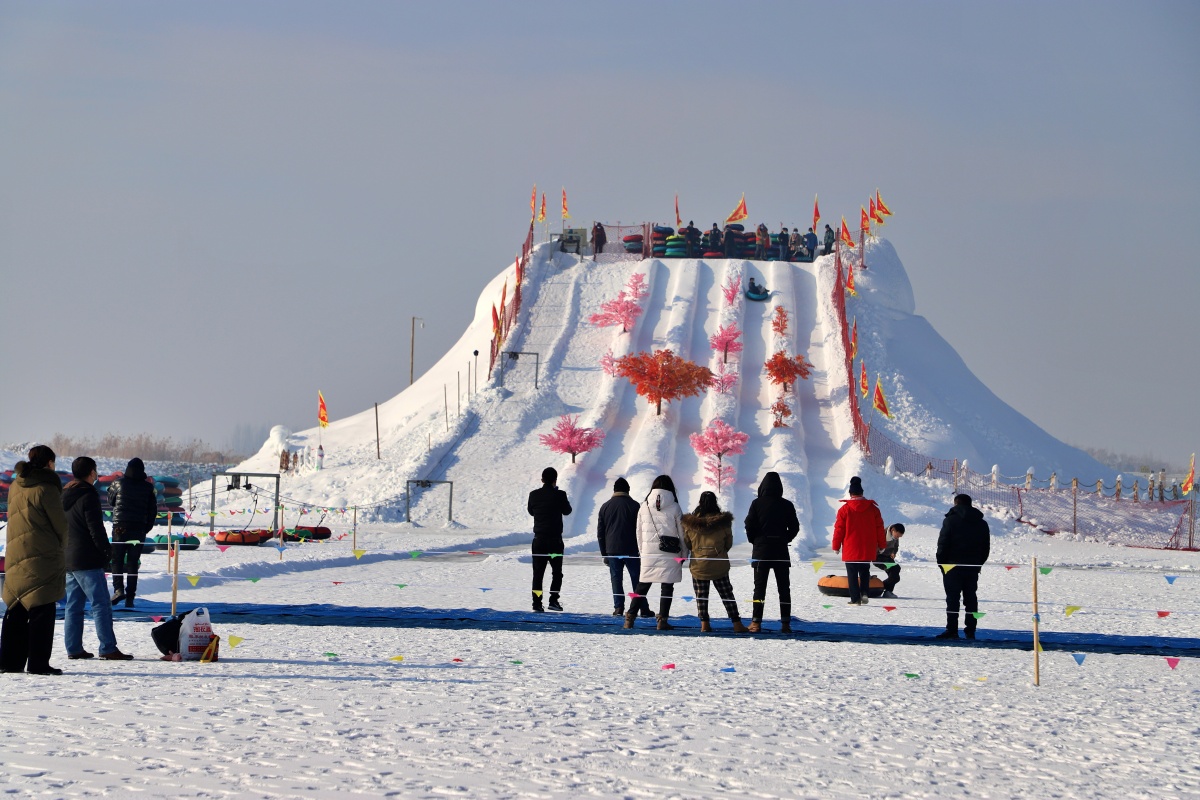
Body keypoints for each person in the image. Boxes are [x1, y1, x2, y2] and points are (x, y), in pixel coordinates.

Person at [1, 445, 68, 674]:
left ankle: (9, 662)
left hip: (16, 553)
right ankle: (39, 663)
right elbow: (60, 525)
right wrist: (61, 546)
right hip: (42, 556)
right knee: (42, 608)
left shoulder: (14, 486)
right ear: (49, 463)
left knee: (16, 606)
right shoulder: (46, 489)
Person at [62, 457, 132, 661]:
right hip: (86, 558)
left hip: (68, 557)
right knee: (101, 603)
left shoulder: (64, 493)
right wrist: (106, 552)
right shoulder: (88, 495)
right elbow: (96, 528)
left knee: (73, 605)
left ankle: (73, 648)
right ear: (91, 473)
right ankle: (108, 647)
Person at [625, 475, 688, 630]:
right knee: (667, 587)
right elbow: (682, 533)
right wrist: (684, 554)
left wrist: (642, 552)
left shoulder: (644, 506)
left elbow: (638, 532)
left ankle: (630, 617)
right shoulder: (674, 506)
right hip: (670, 553)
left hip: (648, 552)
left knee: (642, 586)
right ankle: (662, 620)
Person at [683, 491, 747, 633]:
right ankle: (736, 623)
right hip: (719, 563)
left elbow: (688, 544)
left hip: (699, 565)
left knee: (701, 595)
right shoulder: (723, 522)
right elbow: (728, 543)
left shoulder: (690, 523)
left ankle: (704, 624)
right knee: (726, 594)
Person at [744, 471, 799, 633]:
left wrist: (755, 540)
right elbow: (795, 527)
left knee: (759, 588)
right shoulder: (787, 504)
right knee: (784, 589)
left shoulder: (756, 504)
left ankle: (756, 622)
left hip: (761, 551)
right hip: (781, 550)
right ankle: (785, 624)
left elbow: (749, 525)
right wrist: (785, 538)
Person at [935, 495, 990, 640]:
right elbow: (986, 548)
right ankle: (970, 630)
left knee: (952, 599)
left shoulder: (950, 520)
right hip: (972, 567)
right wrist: (978, 564)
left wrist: (942, 564)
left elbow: (943, 544)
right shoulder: (982, 523)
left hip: (952, 566)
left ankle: (952, 630)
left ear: (956, 504)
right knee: (971, 598)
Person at [107, 457, 159, 609]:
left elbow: (111, 501)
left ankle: (118, 590)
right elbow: (152, 511)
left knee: (116, 560)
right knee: (132, 563)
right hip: (138, 528)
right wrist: (145, 528)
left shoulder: (118, 483)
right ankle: (130, 597)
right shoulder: (148, 488)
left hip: (120, 526)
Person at [597, 477, 650, 618]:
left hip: (612, 549)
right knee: (637, 579)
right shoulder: (635, 506)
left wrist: (605, 554)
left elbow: (600, 533)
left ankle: (619, 607)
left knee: (616, 579)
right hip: (632, 548)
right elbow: (641, 530)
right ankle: (642, 607)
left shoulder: (605, 506)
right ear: (628, 490)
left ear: (614, 490)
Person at [832, 476, 887, 606]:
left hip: (851, 547)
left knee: (852, 574)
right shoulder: (873, 509)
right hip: (867, 547)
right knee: (865, 571)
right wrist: (882, 544)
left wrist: (836, 545)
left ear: (850, 494)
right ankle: (865, 594)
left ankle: (855, 599)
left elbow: (839, 529)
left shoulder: (844, 510)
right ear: (862, 493)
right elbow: (880, 528)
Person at [527, 467, 572, 612]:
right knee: (557, 572)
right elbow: (567, 511)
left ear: (542, 480)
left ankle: (537, 603)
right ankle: (553, 600)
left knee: (538, 574)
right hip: (555, 542)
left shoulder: (533, 495)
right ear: (555, 480)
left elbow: (531, 511)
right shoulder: (560, 495)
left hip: (539, 541)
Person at [873, 523, 905, 598]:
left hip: (887, 558)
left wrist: (894, 552)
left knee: (895, 576)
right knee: (895, 568)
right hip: (878, 558)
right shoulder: (881, 533)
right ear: (893, 530)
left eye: (899, 537)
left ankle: (887, 591)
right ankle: (879, 587)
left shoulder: (895, 537)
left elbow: (896, 546)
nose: (897, 538)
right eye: (897, 536)